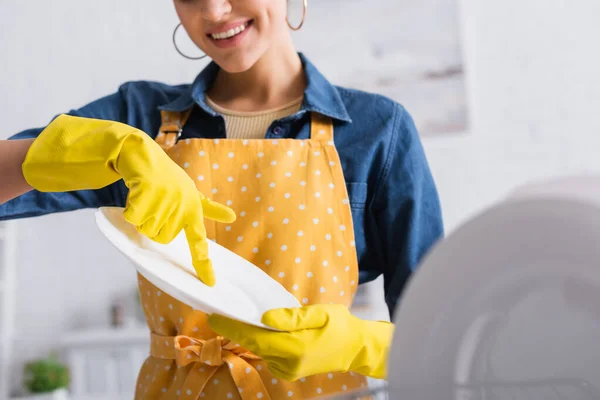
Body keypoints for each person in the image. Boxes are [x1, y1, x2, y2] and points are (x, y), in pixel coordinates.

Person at [0, 0, 444, 398]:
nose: (213, 11)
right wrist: (100, 148)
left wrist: (361, 346)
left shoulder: (377, 130)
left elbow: (444, 336)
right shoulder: (138, 117)